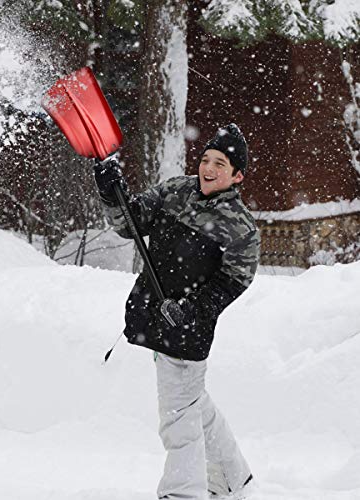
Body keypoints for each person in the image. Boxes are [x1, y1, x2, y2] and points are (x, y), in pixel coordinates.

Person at [93, 124, 260, 500]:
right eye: (206, 159)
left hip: (188, 331)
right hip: (154, 316)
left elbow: (234, 281)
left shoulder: (240, 227)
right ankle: (234, 478)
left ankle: (183, 492)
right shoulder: (175, 191)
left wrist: (192, 309)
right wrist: (111, 193)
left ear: (237, 176)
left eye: (221, 163)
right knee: (192, 403)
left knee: (177, 417)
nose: (209, 168)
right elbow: (130, 225)